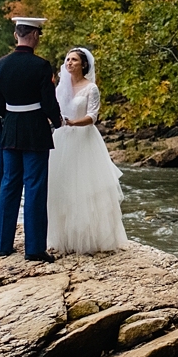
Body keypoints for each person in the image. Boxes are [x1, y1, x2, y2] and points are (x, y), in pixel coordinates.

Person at [0, 17, 63, 262]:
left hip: (10, 128)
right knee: (35, 188)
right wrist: (59, 122)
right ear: (34, 35)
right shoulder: (41, 65)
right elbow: (49, 102)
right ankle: (34, 249)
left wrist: (10, 117)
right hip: (35, 130)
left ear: (16, 34)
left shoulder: (0, 64)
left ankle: (3, 246)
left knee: (9, 187)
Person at [47, 47, 129, 254]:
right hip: (60, 140)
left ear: (83, 65)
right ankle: (60, 237)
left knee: (84, 188)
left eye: (74, 60)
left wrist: (72, 122)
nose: (69, 63)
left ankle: (89, 238)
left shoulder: (91, 88)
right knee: (59, 186)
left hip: (84, 139)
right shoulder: (59, 88)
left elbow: (93, 116)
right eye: (67, 60)